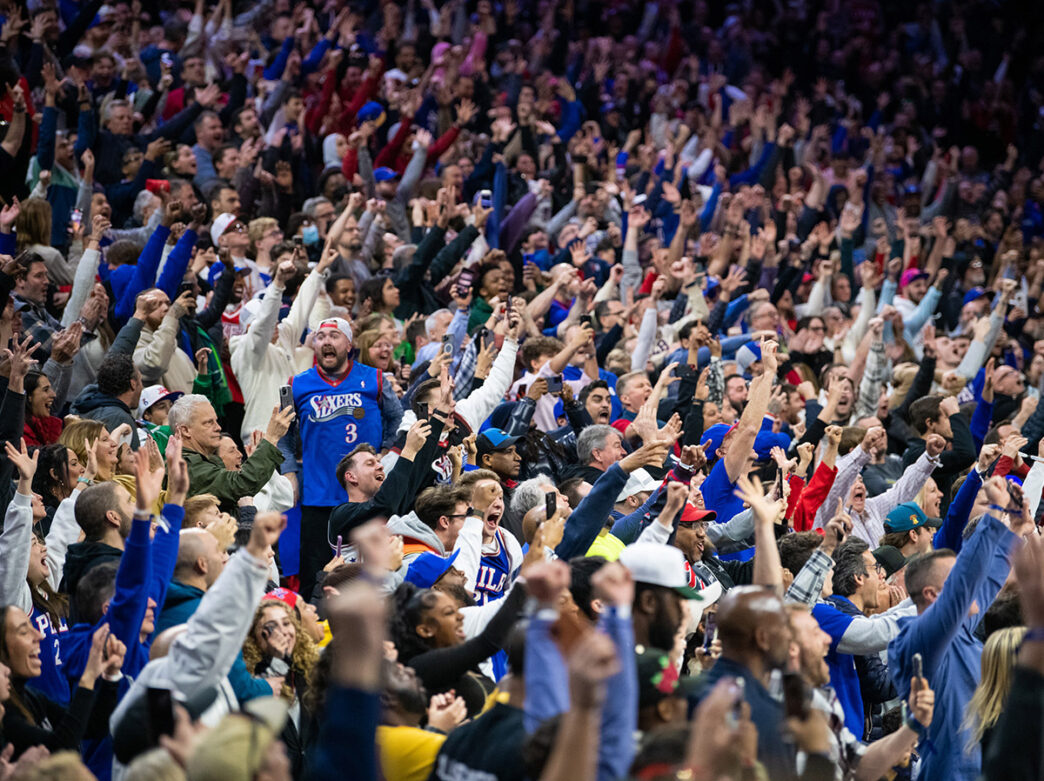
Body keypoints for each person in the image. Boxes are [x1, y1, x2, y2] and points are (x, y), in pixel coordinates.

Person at [888, 476, 1032, 781]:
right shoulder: (917, 639)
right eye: (955, 580)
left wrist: (1017, 530)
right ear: (933, 595)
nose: (970, 584)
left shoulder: (960, 629)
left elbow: (987, 578)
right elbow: (965, 585)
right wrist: (993, 512)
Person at [169, 394, 290, 514]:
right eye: (208, 422)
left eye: (216, 421)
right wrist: (271, 437)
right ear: (185, 430)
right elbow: (241, 485)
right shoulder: (184, 466)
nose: (218, 427)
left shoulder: (202, 460)